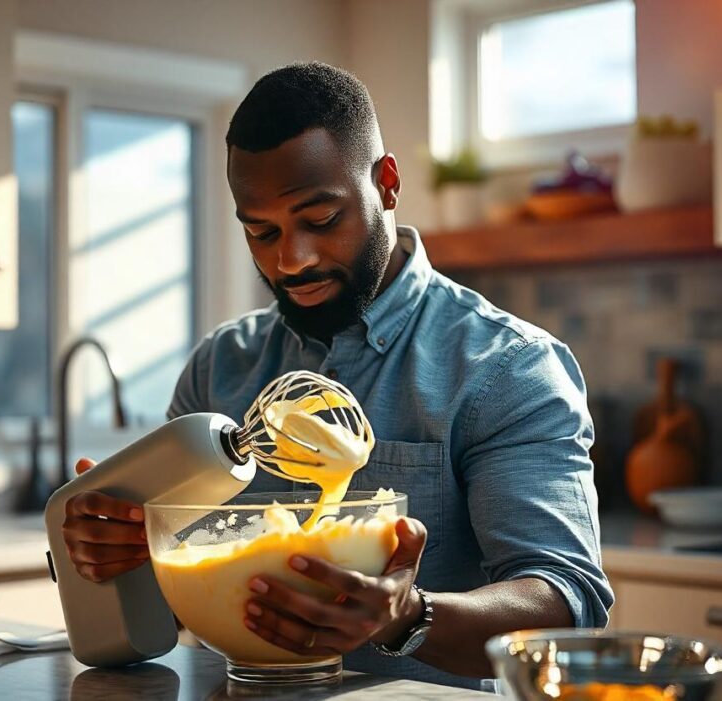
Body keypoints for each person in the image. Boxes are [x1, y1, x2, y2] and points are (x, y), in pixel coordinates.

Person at [61, 62, 613, 690]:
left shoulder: (506, 369)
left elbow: (570, 603)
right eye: (261, 232)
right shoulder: (219, 369)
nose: (290, 260)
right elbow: (172, 594)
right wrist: (117, 553)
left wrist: (409, 615)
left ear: (387, 183)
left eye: (320, 220)